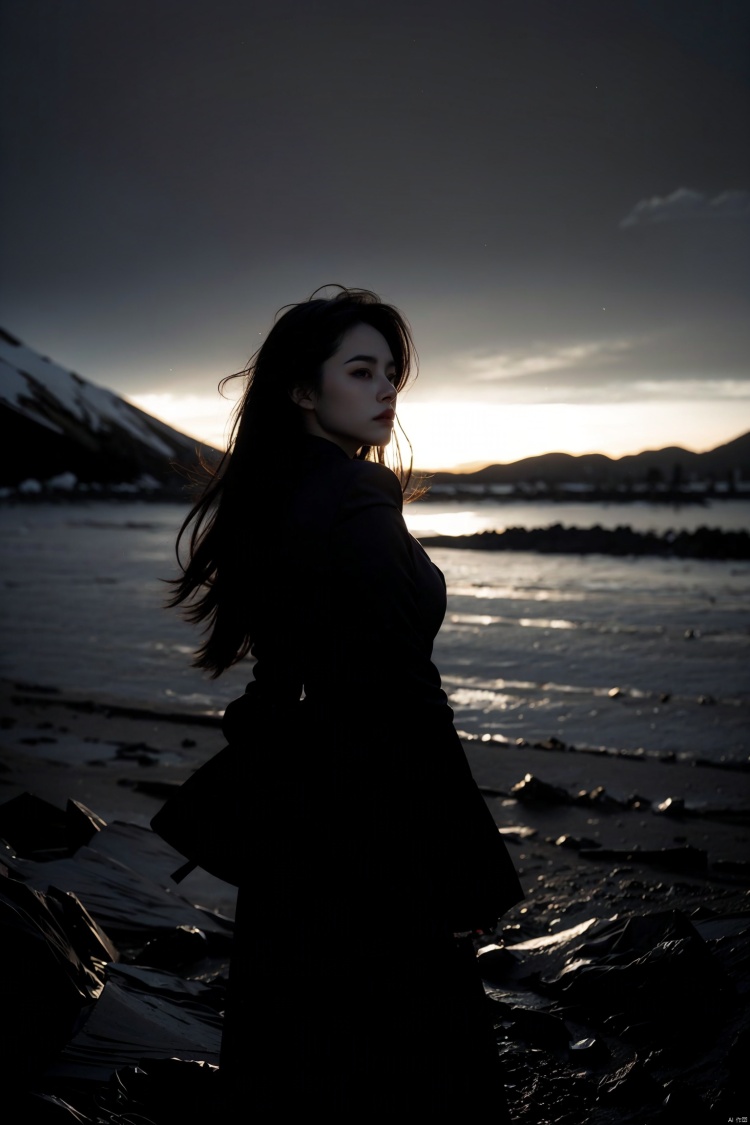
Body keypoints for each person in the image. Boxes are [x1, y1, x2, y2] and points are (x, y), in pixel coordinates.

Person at [168, 286, 523, 1116]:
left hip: (300, 815)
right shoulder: (359, 497)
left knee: (298, 1047)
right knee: (417, 1061)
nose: (386, 391)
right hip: (374, 818)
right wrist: (458, 852)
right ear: (303, 389)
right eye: (361, 371)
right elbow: (403, 691)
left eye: (392, 374)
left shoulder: (273, 494)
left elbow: (273, 679)